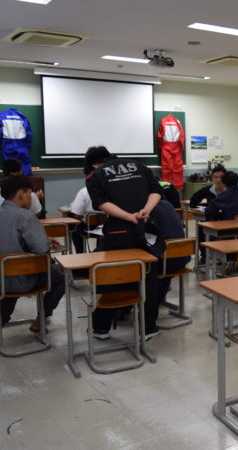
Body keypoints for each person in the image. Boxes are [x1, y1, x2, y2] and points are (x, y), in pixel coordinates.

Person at [0, 175, 65, 344]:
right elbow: (41, 249)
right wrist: (45, 243)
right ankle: (40, 321)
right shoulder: (26, 216)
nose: (32, 198)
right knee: (62, 275)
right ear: (21, 194)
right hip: (15, 279)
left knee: (12, 268)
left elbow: (3, 241)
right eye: (30, 194)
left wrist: (44, 239)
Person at [85, 145, 162, 340]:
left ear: (94, 164)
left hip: (119, 230)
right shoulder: (139, 165)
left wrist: (129, 216)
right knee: (149, 276)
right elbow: (156, 191)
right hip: (145, 226)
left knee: (116, 275)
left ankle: (101, 327)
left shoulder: (96, 175)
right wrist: (146, 210)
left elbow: (102, 204)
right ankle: (148, 327)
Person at [149, 199, 191, 322]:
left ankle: (148, 308)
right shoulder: (167, 204)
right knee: (163, 266)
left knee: (144, 267)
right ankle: (158, 299)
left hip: (167, 261)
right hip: (183, 257)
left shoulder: (150, 210)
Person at [191, 165, 226, 264]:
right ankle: (204, 256)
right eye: (215, 177)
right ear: (212, 178)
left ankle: (224, 256)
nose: (218, 180)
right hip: (212, 220)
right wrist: (205, 207)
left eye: (221, 177)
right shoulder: (208, 189)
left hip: (226, 220)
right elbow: (193, 201)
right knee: (200, 228)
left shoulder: (230, 190)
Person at [70, 165, 98, 254]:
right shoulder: (109, 190)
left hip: (88, 229)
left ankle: (80, 254)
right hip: (106, 228)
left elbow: (76, 215)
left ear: (86, 177)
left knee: (74, 230)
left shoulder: (83, 192)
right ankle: (100, 250)